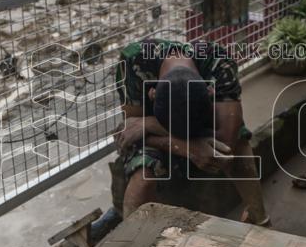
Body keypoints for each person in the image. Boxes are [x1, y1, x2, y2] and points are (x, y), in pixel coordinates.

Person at [113, 38, 268, 225]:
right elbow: (132, 128)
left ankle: (259, 217)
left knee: (237, 143)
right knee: (142, 180)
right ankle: (129, 240)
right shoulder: (133, 60)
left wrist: (152, 126)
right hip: (154, 131)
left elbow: (227, 140)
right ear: (151, 93)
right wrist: (187, 146)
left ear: (210, 90)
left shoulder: (219, 61)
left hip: (175, 125)